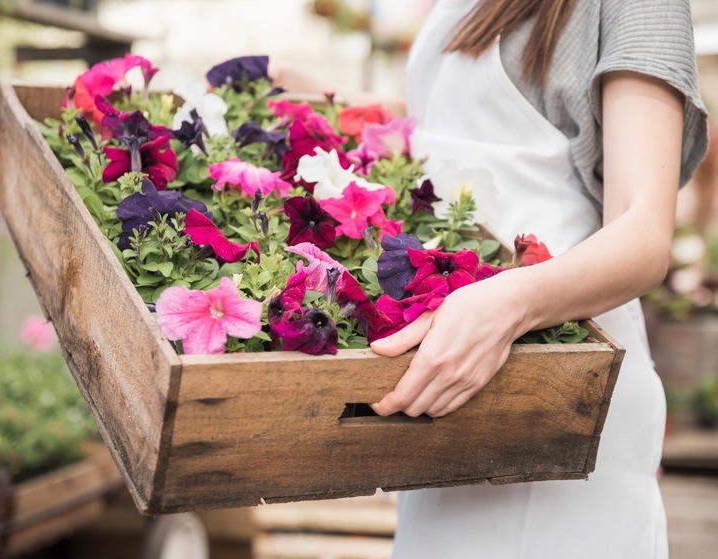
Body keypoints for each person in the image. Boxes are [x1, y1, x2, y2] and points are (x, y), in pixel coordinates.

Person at [271, 0, 708, 556]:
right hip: (456, 368)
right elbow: (455, 129)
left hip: (558, 373)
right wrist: (320, 99)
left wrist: (503, 307)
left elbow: (642, 232)